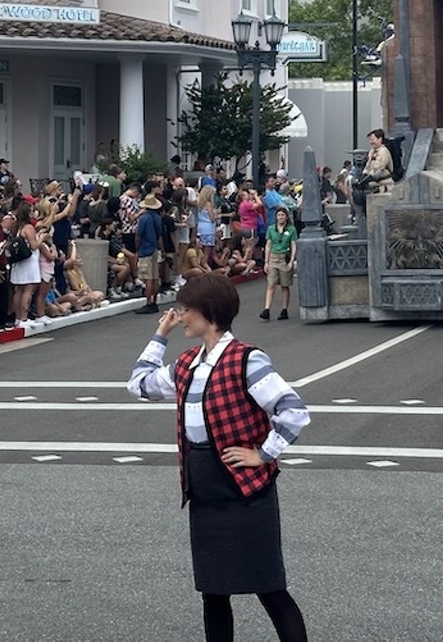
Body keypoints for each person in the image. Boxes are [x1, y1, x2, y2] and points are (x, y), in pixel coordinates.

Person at [127, 274, 310, 642]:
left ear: (207, 312)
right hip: (206, 492)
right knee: (213, 592)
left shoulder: (247, 359)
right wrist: (159, 335)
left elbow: (293, 411)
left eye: (187, 309)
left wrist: (263, 454)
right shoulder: (187, 364)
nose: (181, 315)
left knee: (269, 587)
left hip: (245, 491)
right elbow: (138, 385)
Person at [260, 206, 297, 321]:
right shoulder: (271, 229)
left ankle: (284, 309)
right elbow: (268, 245)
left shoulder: (291, 230)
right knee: (271, 284)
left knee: (284, 285)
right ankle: (266, 309)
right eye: (279, 215)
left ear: (286, 217)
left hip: (284, 258)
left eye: (282, 215)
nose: (280, 217)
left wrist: (291, 261)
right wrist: (266, 261)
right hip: (273, 258)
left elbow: (293, 246)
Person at [135, 193, 164, 314]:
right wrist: (162, 250)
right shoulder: (157, 218)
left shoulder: (143, 218)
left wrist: (137, 250)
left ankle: (148, 302)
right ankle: (154, 301)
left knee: (148, 278)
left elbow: (138, 236)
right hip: (154, 249)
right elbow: (159, 236)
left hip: (145, 249)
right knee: (155, 277)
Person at [360, 128, 394, 194]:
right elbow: (368, 165)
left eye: (372, 140)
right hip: (374, 185)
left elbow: (379, 168)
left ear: (380, 139)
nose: (371, 142)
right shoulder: (372, 151)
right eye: (370, 140)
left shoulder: (384, 151)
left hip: (384, 186)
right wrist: (364, 175)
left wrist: (368, 178)